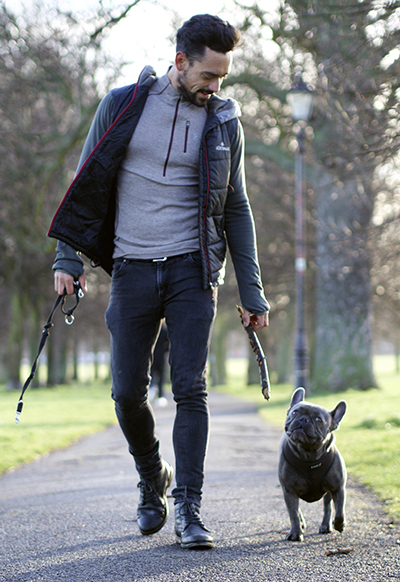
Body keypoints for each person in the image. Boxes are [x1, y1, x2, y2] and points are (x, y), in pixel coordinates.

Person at [49, 14, 269, 550]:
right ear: (180, 62)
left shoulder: (223, 122)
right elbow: (87, 183)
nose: (216, 87)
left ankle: (189, 509)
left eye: (223, 78)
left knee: (192, 386)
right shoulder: (123, 104)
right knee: (127, 393)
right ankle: (152, 474)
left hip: (194, 271)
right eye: (209, 76)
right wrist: (68, 259)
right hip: (132, 267)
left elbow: (236, 206)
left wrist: (252, 288)